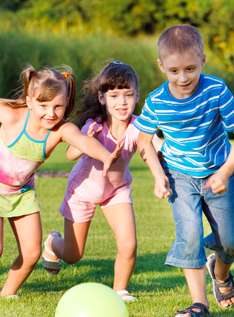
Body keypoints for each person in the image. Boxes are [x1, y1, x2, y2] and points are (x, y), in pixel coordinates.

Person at [0, 48, 121, 299]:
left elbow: (83, 142)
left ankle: (7, 294)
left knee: (31, 253)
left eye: (58, 106)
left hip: (21, 192)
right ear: (30, 101)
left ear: (65, 105)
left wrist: (106, 156)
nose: (50, 113)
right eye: (43, 105)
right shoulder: (11, 116)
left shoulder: (60, 130)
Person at [135, 25, 234, 317]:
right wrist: (158, 175)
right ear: (161, 66)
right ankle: (199, 305)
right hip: (179, 177)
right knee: (189, 235)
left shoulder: (216, 90)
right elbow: (143, 141)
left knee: (229, 243)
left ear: (203, 60)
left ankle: (221, 273)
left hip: (217, 175)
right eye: (174, 71)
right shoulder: (157, 101)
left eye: (190, 68)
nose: (183, 77)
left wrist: (225, 172)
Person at [41, 60, 162, 302]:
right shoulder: (93, 125)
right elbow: (70, 154)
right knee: (73, 255)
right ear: (102, 98)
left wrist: (168, 163)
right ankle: (53, 243)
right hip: (82, 191)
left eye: (128, 95)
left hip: (116, 191)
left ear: (138, 96)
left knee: (128, 244)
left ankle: (120, 290)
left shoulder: (139, 126)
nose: (122, 102)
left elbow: (155, 148)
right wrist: (84, 139)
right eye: (114, 95)